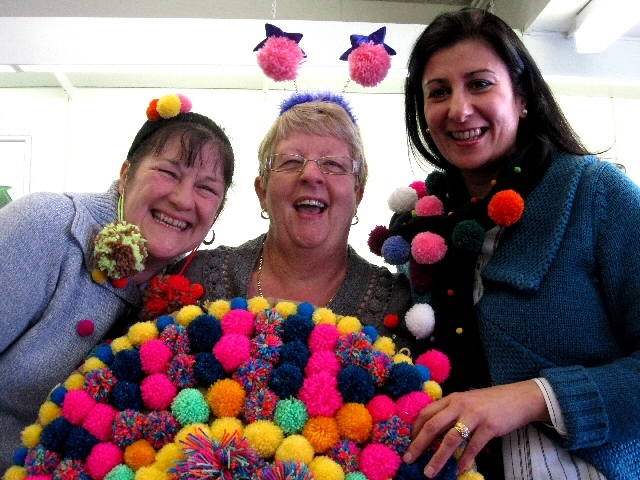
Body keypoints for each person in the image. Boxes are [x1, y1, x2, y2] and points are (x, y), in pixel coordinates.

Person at [378, 7, 640, 480]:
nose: (458, 109)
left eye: (480, 83)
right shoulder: (422, 228)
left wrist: (532, 397)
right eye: (438, 92)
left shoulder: (595, 194)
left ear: (521, 98)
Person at [0, 93, 235, 471]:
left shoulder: (190, 290)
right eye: (169, 172)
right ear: (126, 175)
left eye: (206, 188)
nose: (182, 199)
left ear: (216, 214)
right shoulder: (49, 225)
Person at [177, 92, 413, 348]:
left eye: (333, 164)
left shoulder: (399, 303)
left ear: (358, 195)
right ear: (262, 192)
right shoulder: (192, 277)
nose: (311, 175)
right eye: (290, 161)